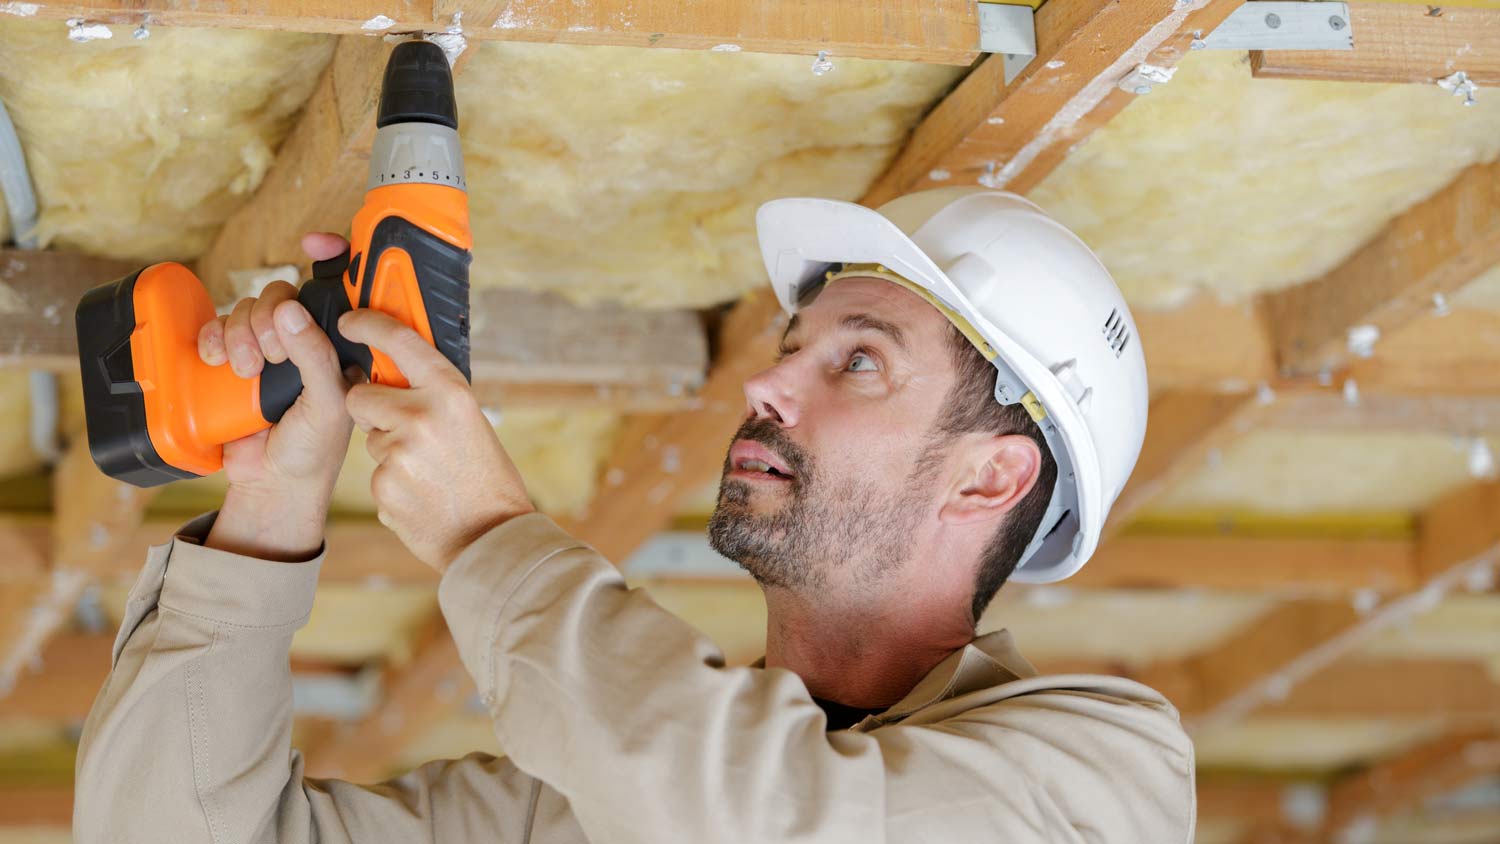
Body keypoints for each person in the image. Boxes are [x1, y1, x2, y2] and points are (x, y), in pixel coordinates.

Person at [75, 187, 1193, 843]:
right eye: (791, 349)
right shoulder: (579, 801)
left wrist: (489, 539)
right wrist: (270, 504)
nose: (768, 387)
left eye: (858, 361)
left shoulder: (1102, 779)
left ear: (989, 480)